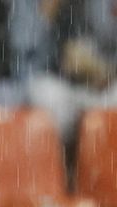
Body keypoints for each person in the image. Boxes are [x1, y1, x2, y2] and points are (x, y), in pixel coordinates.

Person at [12, 0, 117, 138]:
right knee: (53, 99)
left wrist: (102, 70)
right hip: (56, 89)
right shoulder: (27, 5)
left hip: (103, 90)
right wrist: (47, 12)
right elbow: (24, 69)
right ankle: (69, 151)